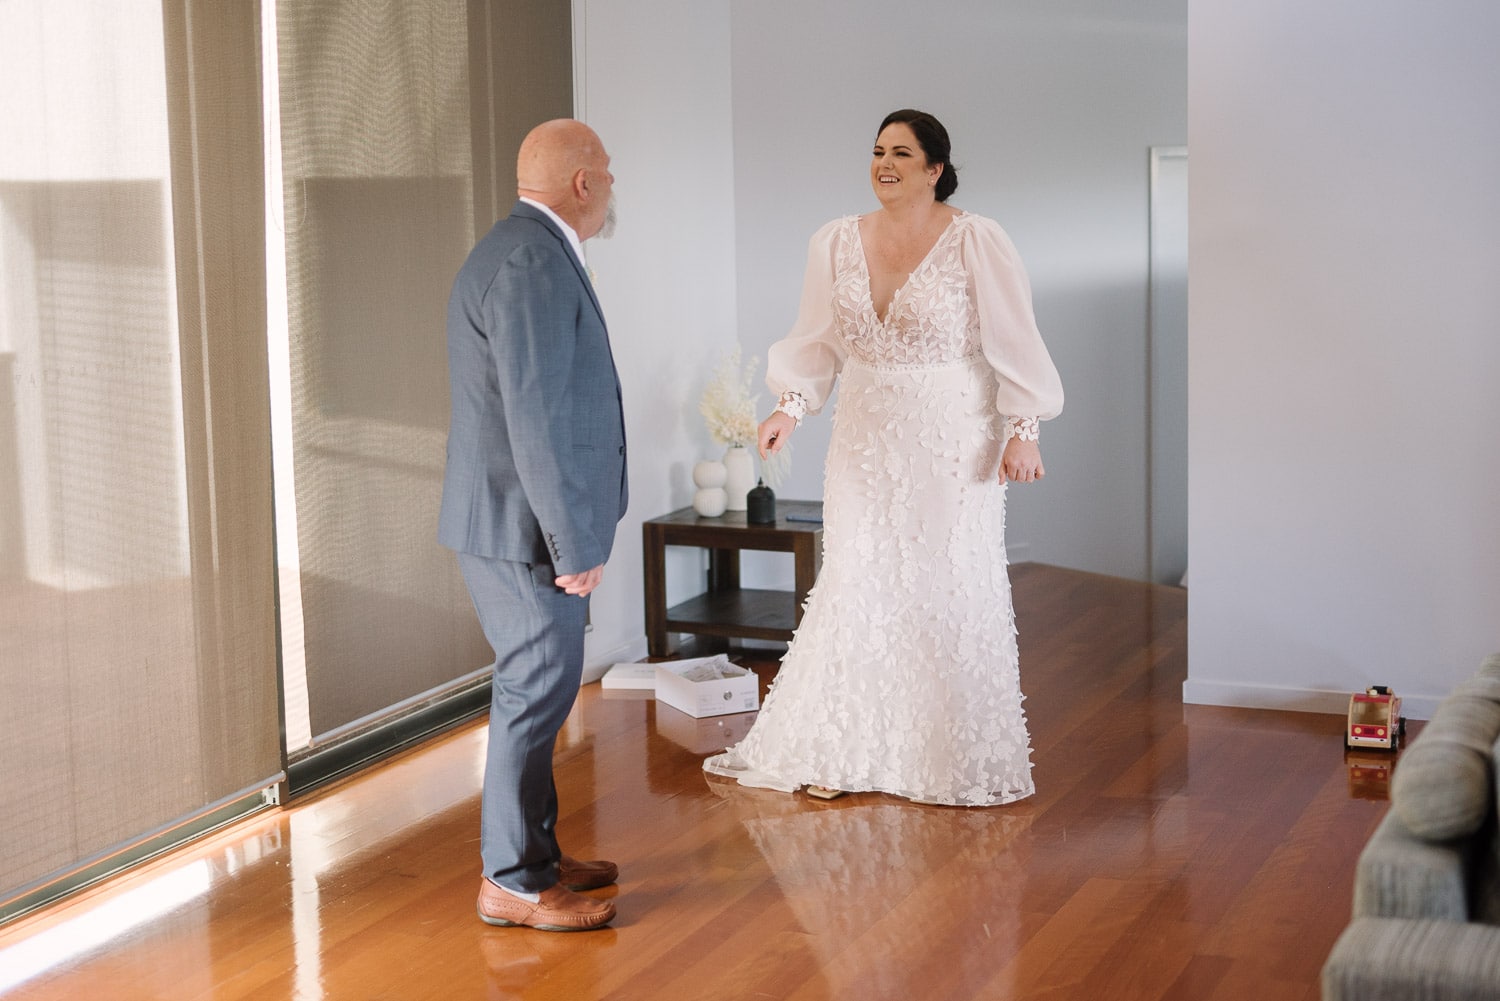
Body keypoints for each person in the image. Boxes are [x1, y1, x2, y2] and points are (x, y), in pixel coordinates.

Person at [704, 109, 1063, 807]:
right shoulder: (835, 242)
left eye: (902, 152)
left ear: (935, 168)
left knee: (942, 579)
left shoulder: (975, 240)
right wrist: (790, 406)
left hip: (953, 437)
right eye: (877, 151)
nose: (885, 163)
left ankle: (942, 755)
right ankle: (840, 745)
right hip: (864, 436)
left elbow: (1013, 338)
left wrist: (1025, 427)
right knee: (858, 578)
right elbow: (816, 338)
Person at [439, 119, 627, 930]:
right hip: (522, 530)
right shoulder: (532, 265)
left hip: (514, 523)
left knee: (542, 690)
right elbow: (536, 418)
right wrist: (574, 544)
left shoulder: (522, 250)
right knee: (533, 689)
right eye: (608, 171)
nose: (614, 185)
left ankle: (537, 856)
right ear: (581, 183)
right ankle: (513, 883)